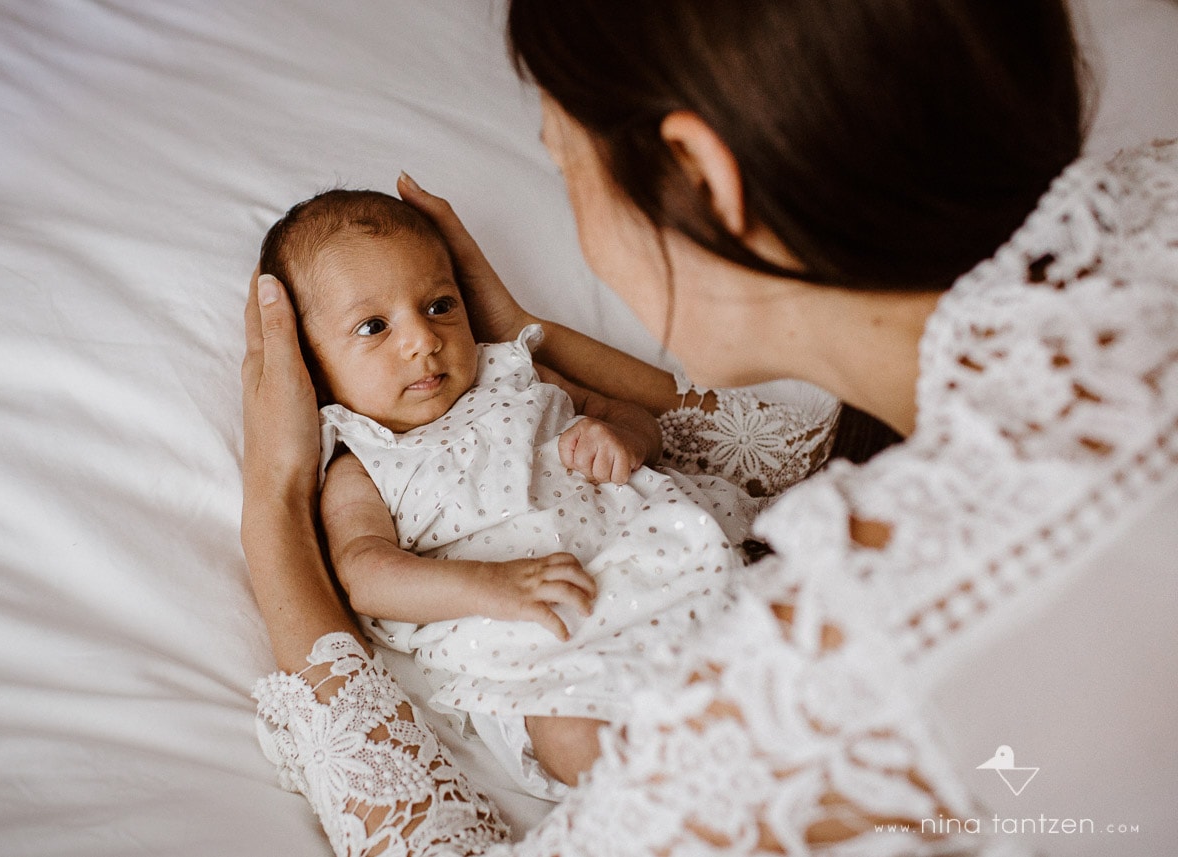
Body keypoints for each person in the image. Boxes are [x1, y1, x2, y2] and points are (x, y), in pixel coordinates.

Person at [241, 0, 1178, 854]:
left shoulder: (804, 700)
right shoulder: (1149, 217)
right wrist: (533, 332)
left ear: (700, 176)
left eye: (561, 164)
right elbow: (805, 453)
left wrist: (275, 510)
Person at [255, 188, 775, 795]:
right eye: (374, 326)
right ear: (311, 366)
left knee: (773, 616)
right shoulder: (361, 461)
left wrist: (620, 436)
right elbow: (365, 572)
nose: (423, 339)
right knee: (575, 736)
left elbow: (632, 416)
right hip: (538, 644)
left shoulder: (509, 372)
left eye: (440, 305)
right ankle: (696, 809)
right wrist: (493, 583)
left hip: (657, 561)